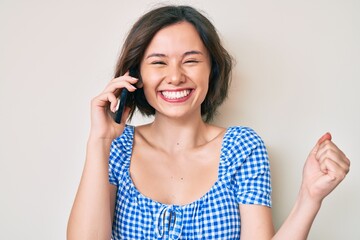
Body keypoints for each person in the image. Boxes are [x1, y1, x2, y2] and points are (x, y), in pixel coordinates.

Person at [67, 5, 350, 240]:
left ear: (211, 70)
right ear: (136, 75)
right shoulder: (115, 147)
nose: (175, 77)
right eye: (158, 62)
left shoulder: (243, 147)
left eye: (190, 61)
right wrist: (99, 141)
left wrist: (309, 197)